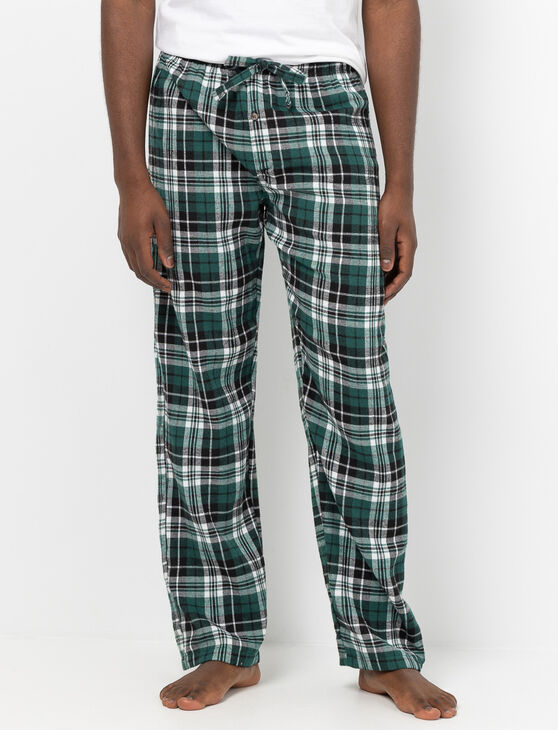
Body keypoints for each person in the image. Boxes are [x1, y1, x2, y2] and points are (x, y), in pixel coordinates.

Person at [101, 0, 457, 720]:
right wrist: (130, 179)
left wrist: (402, 182)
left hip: (325, 99)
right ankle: (224, 639)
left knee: (352, 388)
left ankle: (382, 645)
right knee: (202, 390)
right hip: (189, 99)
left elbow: (391, 4)